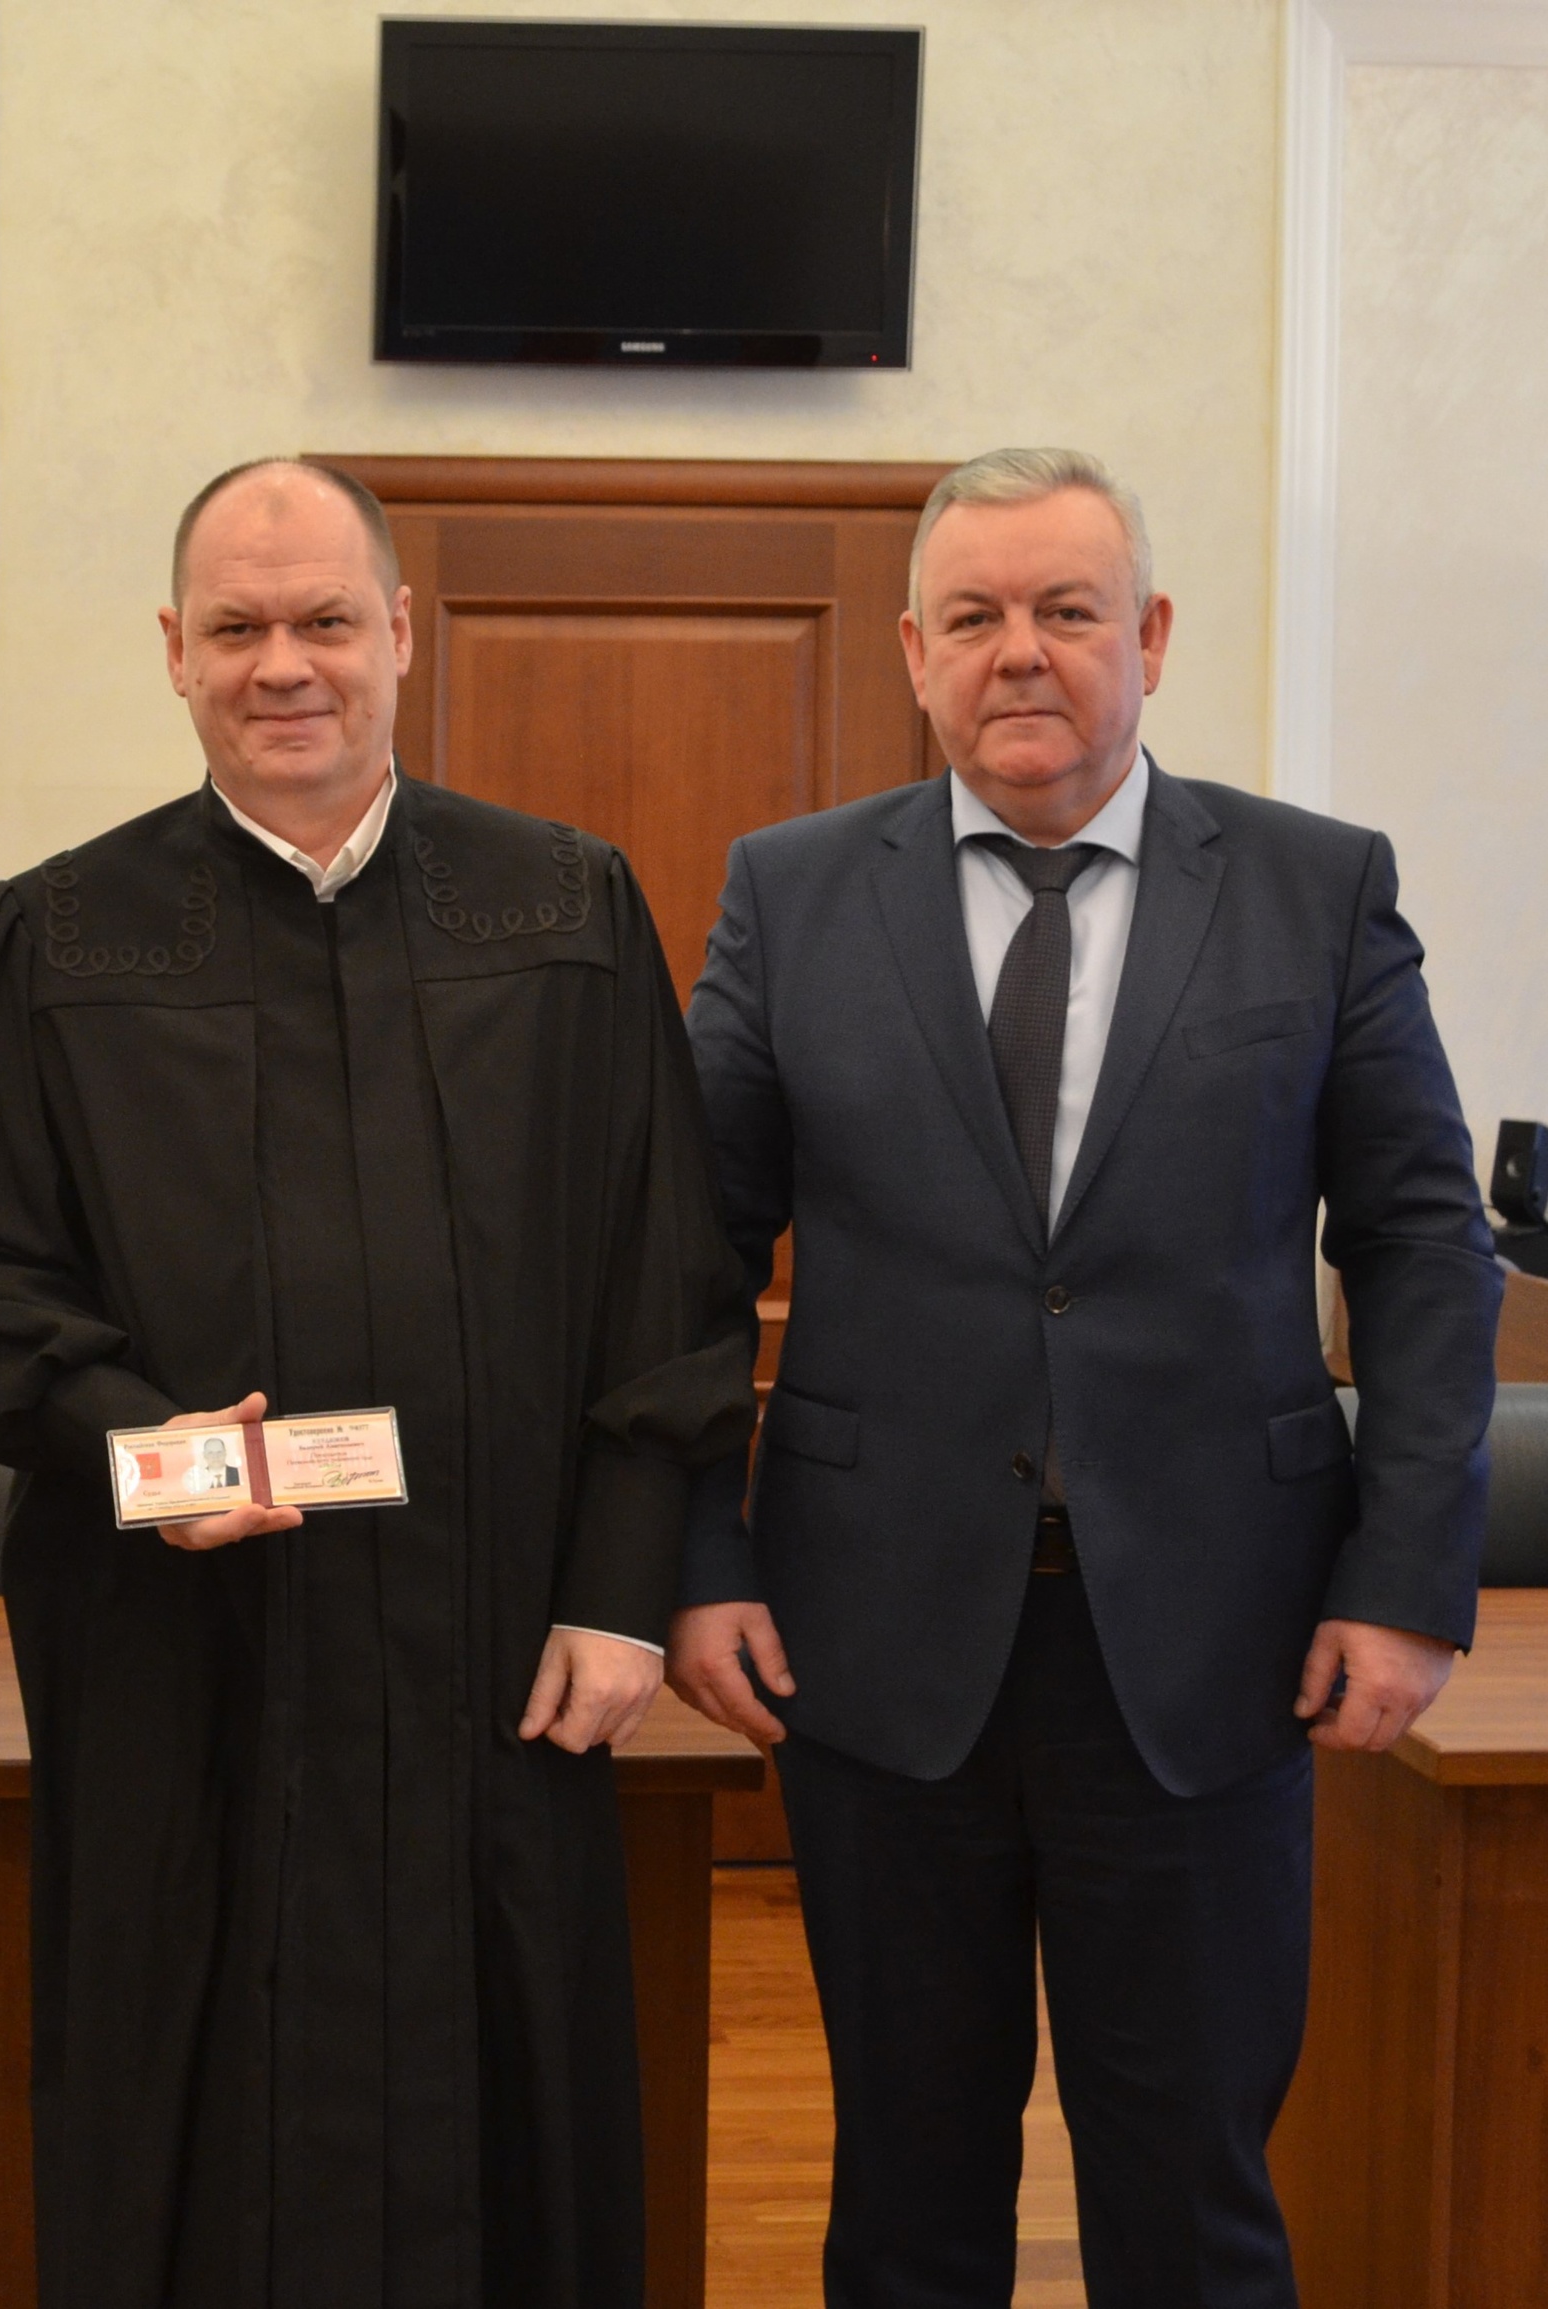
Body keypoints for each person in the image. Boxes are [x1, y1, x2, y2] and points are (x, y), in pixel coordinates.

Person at [0, 458, 754, 2308]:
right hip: (189, 1654)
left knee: (505, 2100)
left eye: (323, 622)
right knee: (189, 2074)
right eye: (237, 628)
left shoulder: (567, 910)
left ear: (401, 633)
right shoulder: (53, 938)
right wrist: (158, 1454)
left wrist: (624, 1588)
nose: (282, 664)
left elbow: (668, 1278)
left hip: (496, 1649)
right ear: (174, 649)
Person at [674, 446, 1500, 2309]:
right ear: (914, 651)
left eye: (1067, 608)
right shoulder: (792, 894)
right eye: (973, 615)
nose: (1021, 651)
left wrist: (1403, 1578)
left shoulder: (1314, 887)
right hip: (877, 1644)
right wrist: (699, 1552)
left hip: (1216, 1644)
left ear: (1153, 633)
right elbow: (690, 1260)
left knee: (1193, 2193)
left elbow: (1421, 1246)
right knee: (907, 2191)